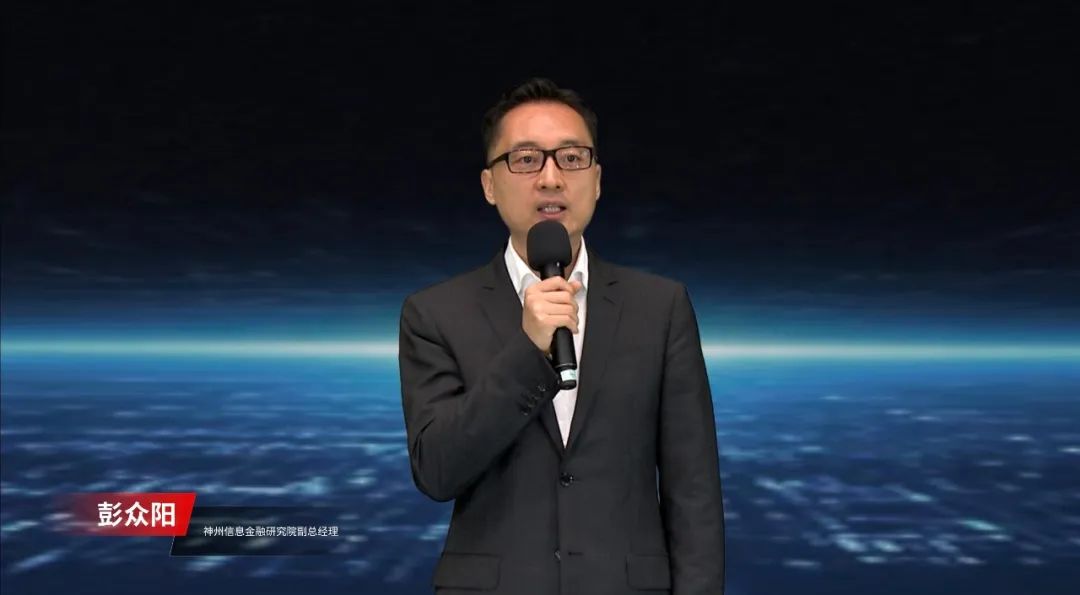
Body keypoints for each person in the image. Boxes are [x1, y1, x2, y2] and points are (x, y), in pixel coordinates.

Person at [399, 77, 725, 595]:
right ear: (489, 185)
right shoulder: (434, 313)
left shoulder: (660, 307)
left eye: (571, 158)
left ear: (596, 180)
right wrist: (528, 350)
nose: (551, 179)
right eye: (526, 159)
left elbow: (694, 491)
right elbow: (437, 472)